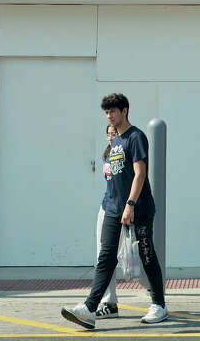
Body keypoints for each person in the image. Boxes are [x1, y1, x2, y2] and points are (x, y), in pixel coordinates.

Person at [62, 94, 167, 330]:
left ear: (125, 111)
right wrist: (113, 204)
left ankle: (159, 305)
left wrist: (130, 204)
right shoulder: (116, 140)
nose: (109, 116)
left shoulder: (135, 137)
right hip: (113, 209)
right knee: (106, 257)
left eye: (113, 112)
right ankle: (90, 309)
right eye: (107, 113)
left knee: (147, 255)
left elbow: (140, 174)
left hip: (137, 208)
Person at [92, 124, 120, 318]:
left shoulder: (124, 152)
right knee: (102, 256)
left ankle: (154, 292)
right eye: (109, 134)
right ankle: (108, 302)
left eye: (114, 133)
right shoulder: (107, 154)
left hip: (122, 211)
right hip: (106, 208)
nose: (111, 137)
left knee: (133, 259)